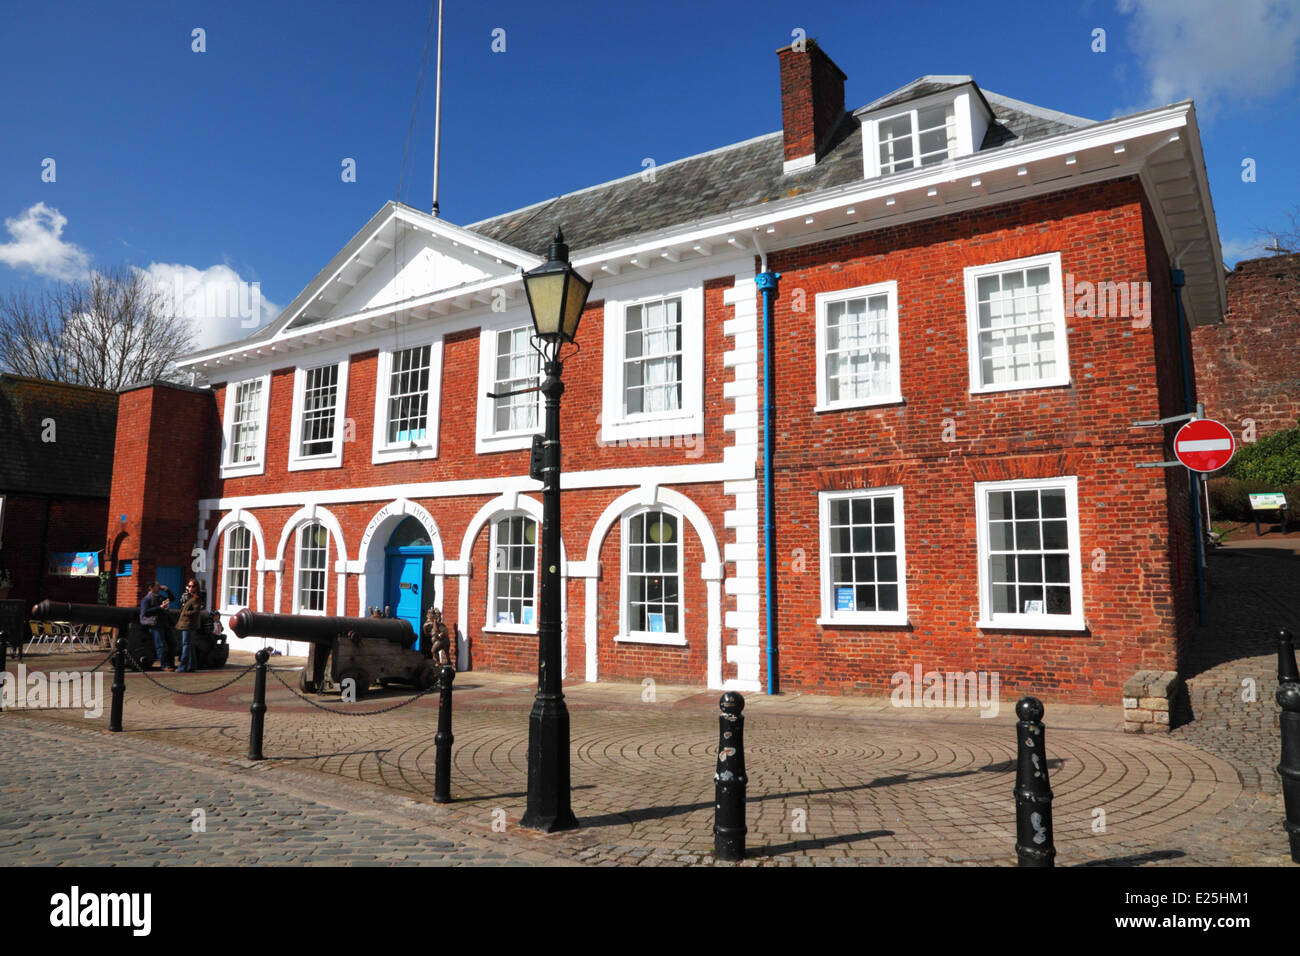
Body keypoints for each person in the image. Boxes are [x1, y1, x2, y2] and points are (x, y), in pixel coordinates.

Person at [139, 581, 175, 671]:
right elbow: (145, 612)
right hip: (155, 624)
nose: (159, 587)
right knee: (161, 645)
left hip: (165, 623)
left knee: (172, 643)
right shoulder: (146, 599)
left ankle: (171, 664)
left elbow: (172, 598)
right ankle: (164, 665)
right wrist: (160, 608)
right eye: (157, 585)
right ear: (151, 588)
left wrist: (167, 590)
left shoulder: (160, 597)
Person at [175, 579, 204, 672]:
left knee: (186, 645)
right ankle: (192, 666)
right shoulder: (189, 597)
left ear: (196, 587)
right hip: (186, 624)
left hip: (189, 625)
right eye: (189, 586)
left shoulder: (196, 598)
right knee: (190, 645)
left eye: (192, 586)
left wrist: (185, 612)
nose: (190, 588)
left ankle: (182, 667)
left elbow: (196, 611)